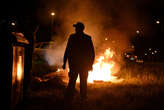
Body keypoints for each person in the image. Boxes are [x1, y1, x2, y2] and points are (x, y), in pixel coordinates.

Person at [62, 22, 95, 109]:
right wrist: (90, 64)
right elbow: (92, 53)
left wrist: (64, 63)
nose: (75, 29)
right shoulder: (87, 38)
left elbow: (67, 50)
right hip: (83, 66)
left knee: (72, 82)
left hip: (75, 65)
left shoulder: (72, 37)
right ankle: (83, 99)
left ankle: (69, 100)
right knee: (83, 83)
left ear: (79, 29)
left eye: (76, 27)